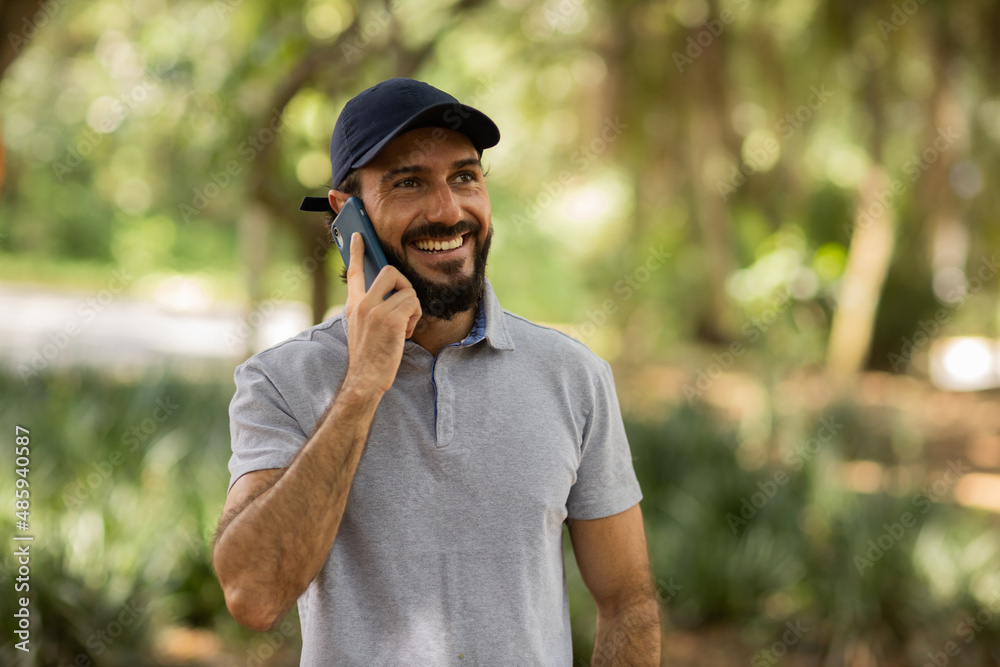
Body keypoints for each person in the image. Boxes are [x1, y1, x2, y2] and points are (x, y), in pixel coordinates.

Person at [212, 77, 660, 665]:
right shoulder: (279, 382)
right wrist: (361, 386)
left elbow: (628, 604)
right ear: (347, 217)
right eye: (408, 182)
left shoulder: (574, 377)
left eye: (465, 177)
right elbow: (253, 595)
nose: (449, 211)